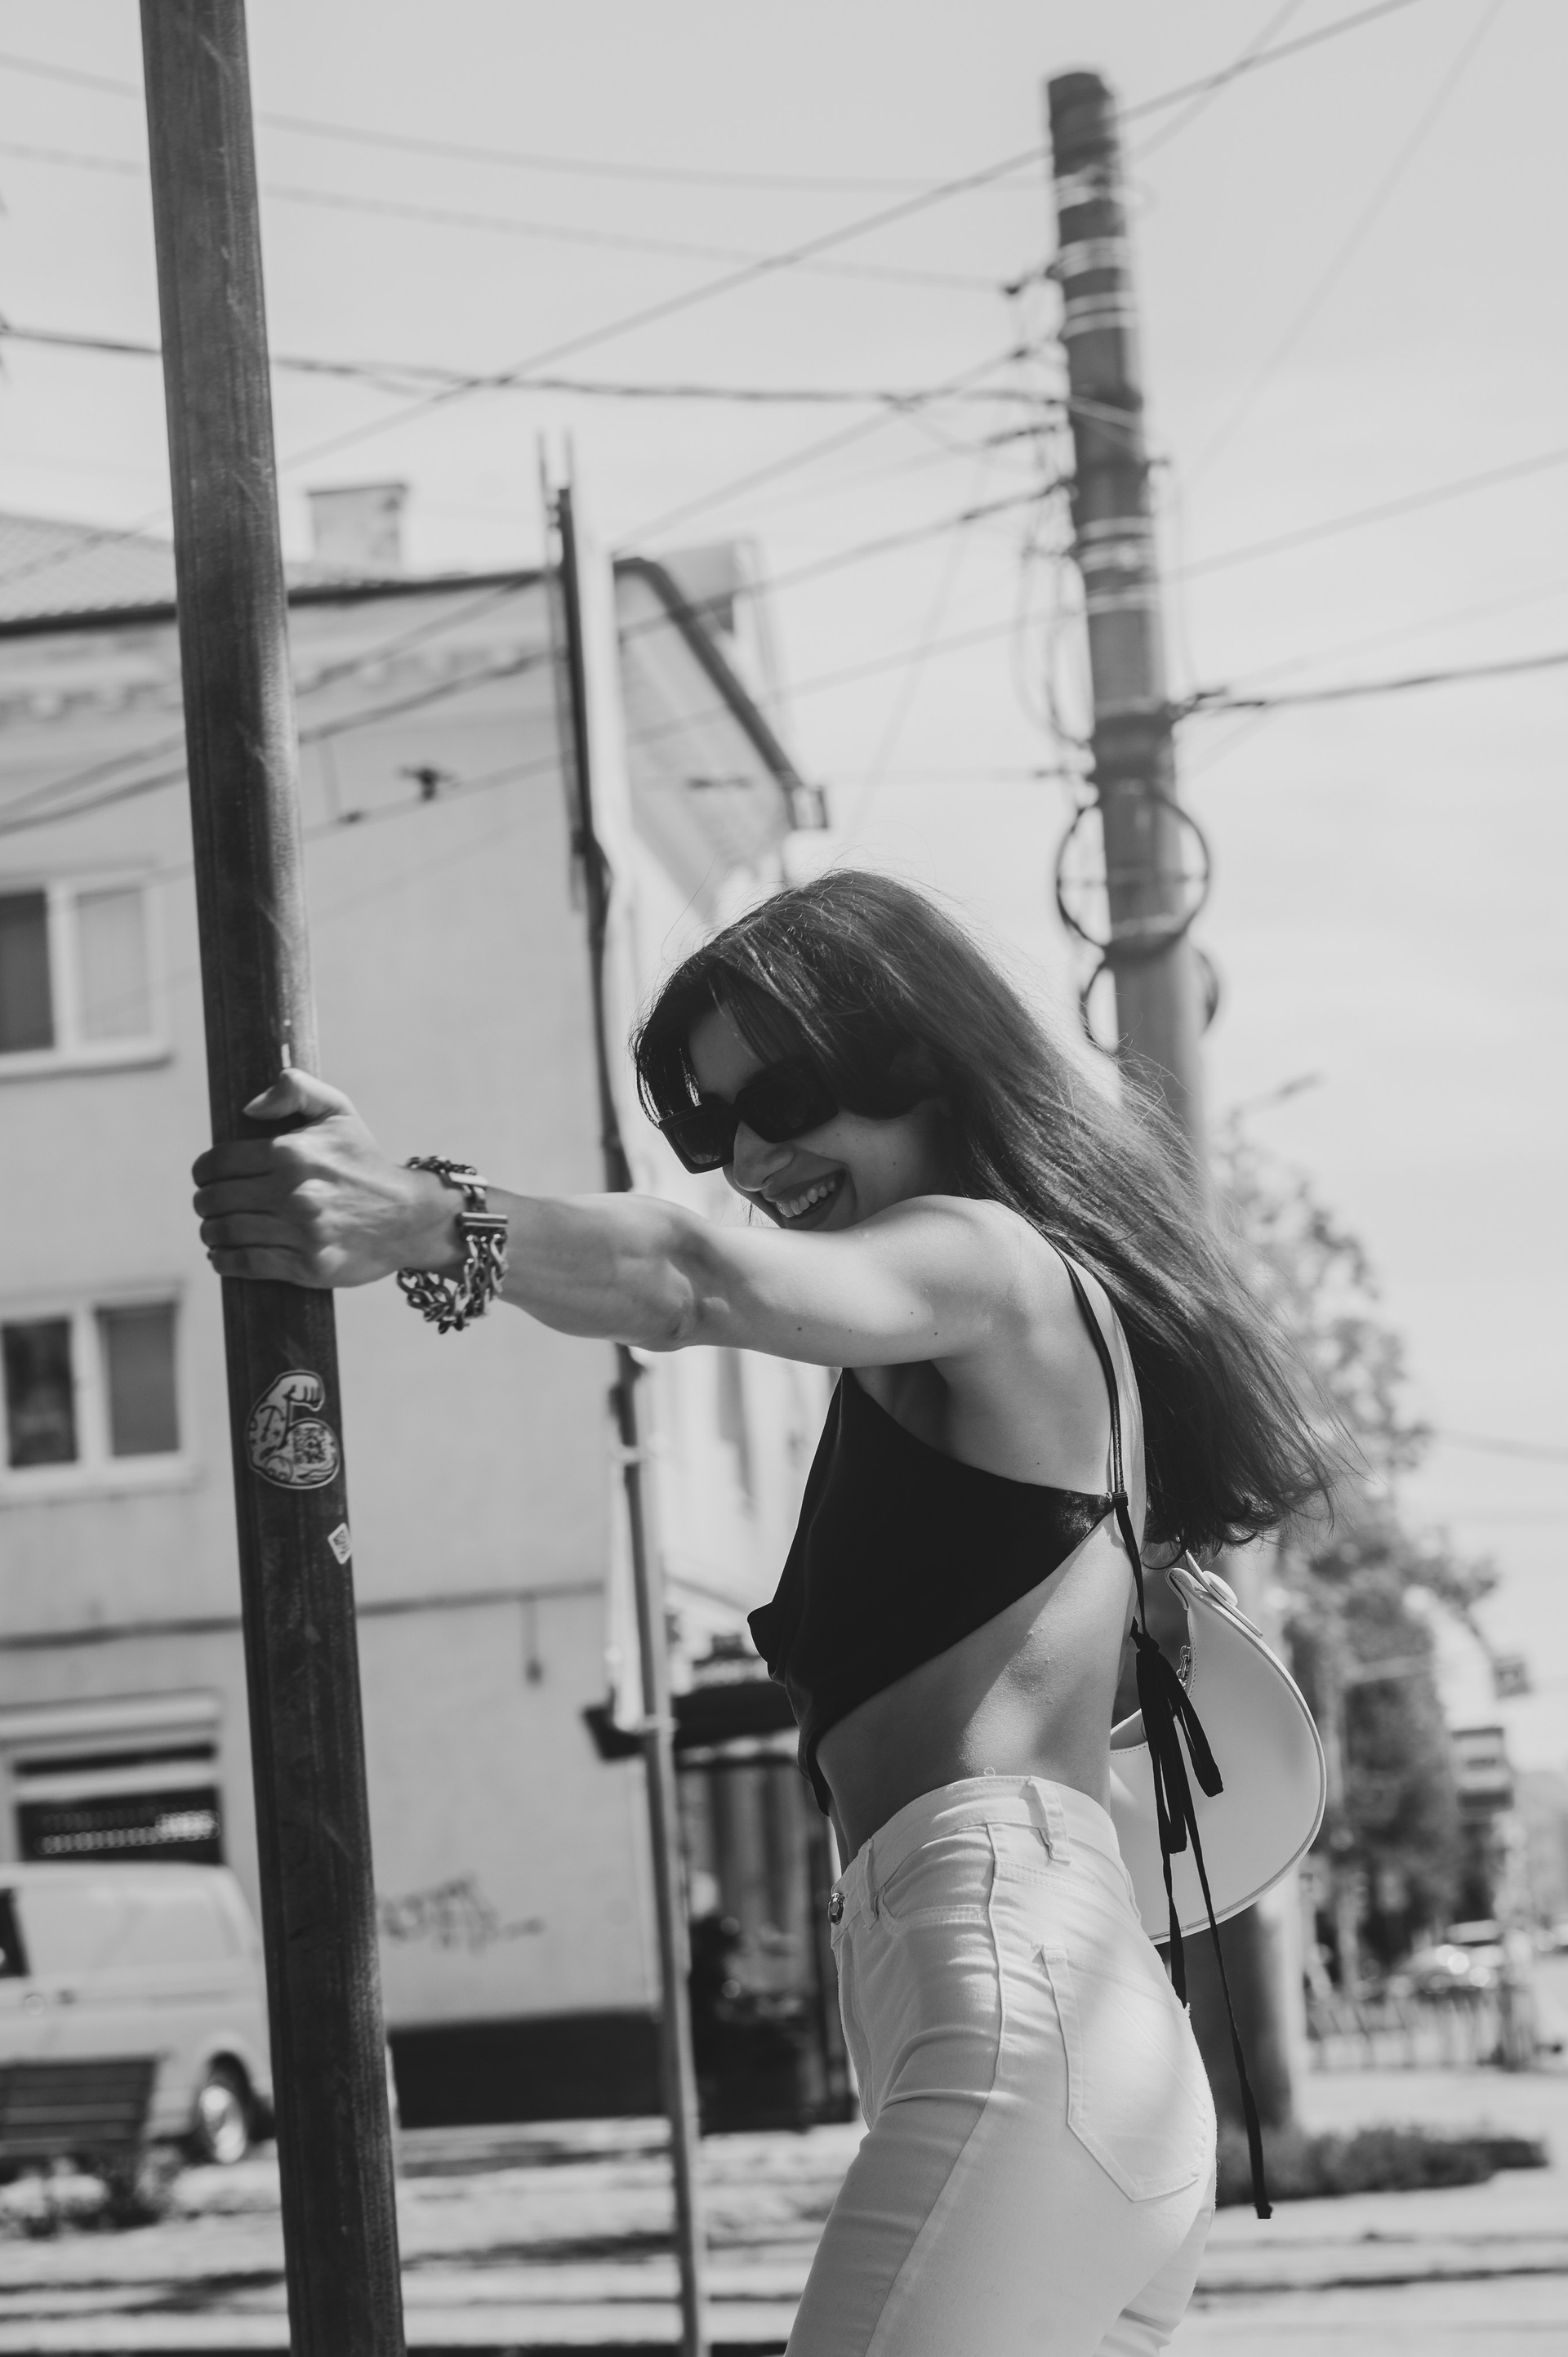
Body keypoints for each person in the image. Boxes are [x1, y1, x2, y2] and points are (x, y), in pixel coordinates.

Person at [194, 870, 1325, 2357]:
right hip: (1058, 2021)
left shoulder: (985, 1258)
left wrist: (416, 1213)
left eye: (782, 1098)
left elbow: (688, 1277)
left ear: (920, 1059)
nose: (750, 1158)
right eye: (710, 1126)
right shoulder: (984, 1329)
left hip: (1021, 2002)